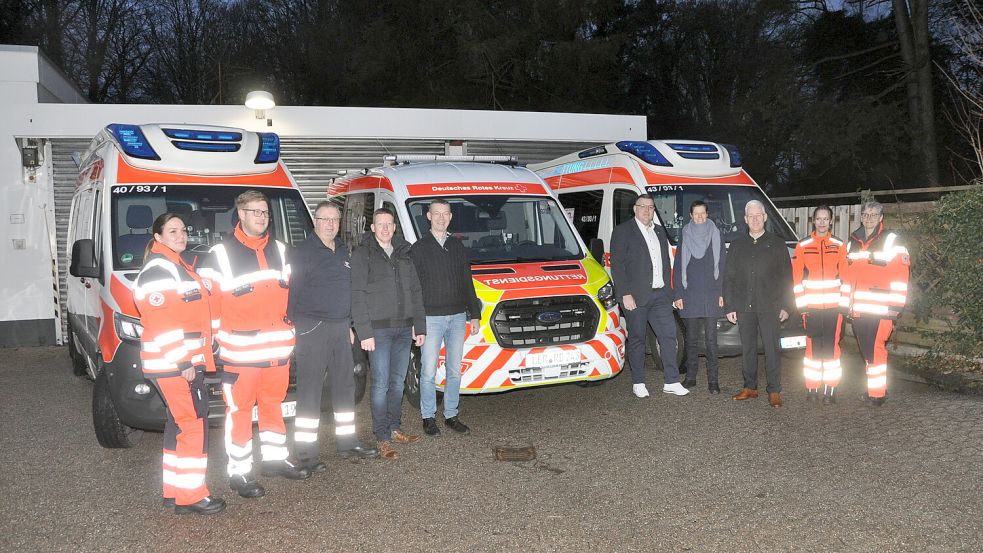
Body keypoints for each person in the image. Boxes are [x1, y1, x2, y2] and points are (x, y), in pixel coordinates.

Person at [198, 190, 310, 499]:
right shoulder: (219, 255)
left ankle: (274, 460)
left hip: (278, 355)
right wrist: (215, 346)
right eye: (255, 211)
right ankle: (240, 472)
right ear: (241, 213)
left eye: (265, 212)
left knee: (273, 407)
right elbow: (208, 309)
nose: (262, 217)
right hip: (241, 357)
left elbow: (296, 296)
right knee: (240, 413)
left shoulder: (283, 250)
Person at [134, 213, 225, 515]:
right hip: (174, 365)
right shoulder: (160, 269)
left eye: (183, 230)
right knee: (193, 427)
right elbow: (161, 323)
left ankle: (174, 491)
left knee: (178, 425)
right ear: (157, 237)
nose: (180, 235)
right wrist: (183, 361)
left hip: (175, 363)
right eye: (172, 231)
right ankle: (192, 496)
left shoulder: (175, 266)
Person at [287, 202, 379, 471]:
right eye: (324, 219)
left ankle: (347, 443)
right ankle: (306, 455)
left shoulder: (342, 250)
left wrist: (350, 325)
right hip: (312, 329)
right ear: (314, 221)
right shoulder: (302, 253)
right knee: (310, 392)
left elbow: (345, 292)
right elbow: (291, 294)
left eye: (335, 220)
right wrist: (297, 328)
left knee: (345, 388)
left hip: (341, 329)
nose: (330, 224)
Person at [351, 208, 427, 459]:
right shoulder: (363, 254)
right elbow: (357, 295)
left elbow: (416, 291)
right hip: (378, 331)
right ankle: (382, 436)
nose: (385, 228)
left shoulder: (405, 252)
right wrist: (364, 332)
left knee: (397, 383)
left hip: (404, 329)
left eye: (389, 224)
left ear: (395, 227)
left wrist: (419, 325)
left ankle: (395, 427)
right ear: (372, 228)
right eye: (380, 224)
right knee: (381, 384)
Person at [409, 199, 481, 437]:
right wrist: (416, 322)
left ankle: (451, 414)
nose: (441, 218)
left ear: (450, 217)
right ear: (428, 216)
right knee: (428, 371)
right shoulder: (418, 249)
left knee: (454, 370)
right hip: (431, 319)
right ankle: (428, 417)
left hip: (458, 316)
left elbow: (466, 282)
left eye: (445, 214)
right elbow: (414, 289)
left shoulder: (458, 246)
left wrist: (475, 315)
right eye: (436, 213)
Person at [610, 193, 689, 398]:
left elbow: (665, 264)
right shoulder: (622, 231)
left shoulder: (660, 232)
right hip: (635, 297)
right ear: (634, 209)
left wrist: (670, 293)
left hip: (661, 295)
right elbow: (617, 266)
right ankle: (638, 382)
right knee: (636, 339)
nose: (647, 210)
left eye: (651, 207)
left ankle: (671, 381)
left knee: (669, 336)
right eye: (643, 206)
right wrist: (625, 294)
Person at [723, 200, 794, 408]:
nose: (755, 219)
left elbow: (787, 278)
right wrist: (729, 306)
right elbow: (729, 278)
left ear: (764, 217)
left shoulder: (778, 243)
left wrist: (787, 305)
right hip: (744, 306)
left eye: (758, 215)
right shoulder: (737, 245)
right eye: (750, 216)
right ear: (745, 220)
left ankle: (774, 390)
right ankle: (750, 387)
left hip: (770, 306)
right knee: (748, 349)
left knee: (772, 350)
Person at [841, 201, 910, 407]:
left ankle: (877, 395)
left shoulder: (892, 240)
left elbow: (901, 276)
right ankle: (877, 388)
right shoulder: (852, 242)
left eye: (873, 214)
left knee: (876, 350)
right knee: (867, 352)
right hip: (859, 311)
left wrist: (895, 308)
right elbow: (845, 278)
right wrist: (846, 306)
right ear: (861, 217)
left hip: (882, 310)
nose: (869, 217)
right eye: (865, 214)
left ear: (881, 218)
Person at [792, 206, 847, 404]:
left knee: (832, 351)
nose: (822, 222)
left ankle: (830, 390)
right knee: (812, 351)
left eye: (826, 219)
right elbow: (796, 280)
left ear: (831, 222)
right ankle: (812, 388)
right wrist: (802, 307)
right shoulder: (803, 245)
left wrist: (844, 306)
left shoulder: (839, 245)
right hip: (811, 309)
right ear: (813, 221)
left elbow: (846, 279)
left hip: (834, 308)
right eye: (818, 219)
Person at [672, 200, 727, 394]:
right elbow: (678, 266)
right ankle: (691, 377)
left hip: (712, 294)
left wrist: (722, 293)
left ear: (707, 214)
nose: (700, 217)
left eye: (703, 213)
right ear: (690, 215)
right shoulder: (685, 235)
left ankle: (713, 381)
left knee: (712, 341)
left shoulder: (716, 234)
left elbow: (723, 266)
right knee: (692, 340)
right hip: (690, 294)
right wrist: (678, 293)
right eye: (696, 214)